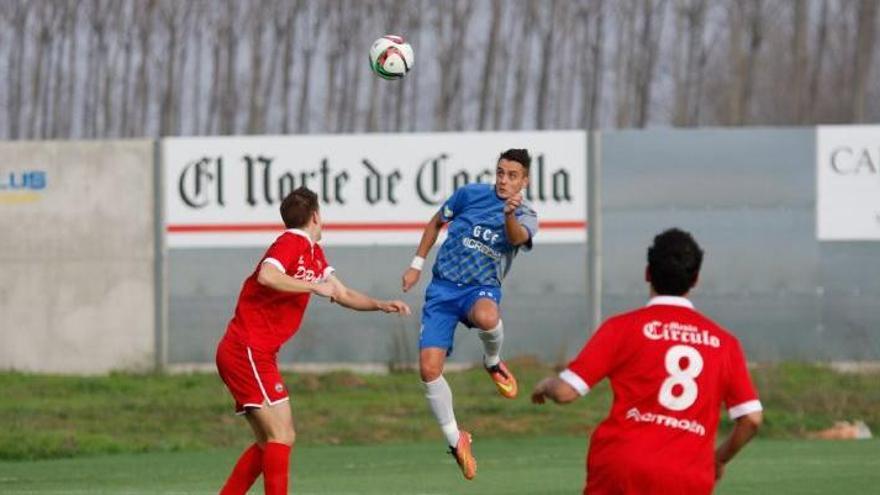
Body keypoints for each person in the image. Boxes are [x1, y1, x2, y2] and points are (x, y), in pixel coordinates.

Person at [531, 228, 763, 495]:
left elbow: (565, 392)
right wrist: (718, 459)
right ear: (696, 279)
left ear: (647, 273)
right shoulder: (725, 343)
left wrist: (546, 384)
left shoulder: (622, 328)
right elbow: (752, 419)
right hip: (687, 477)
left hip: (620, 469)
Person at [215, 186, 411, 495]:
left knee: (277, 439)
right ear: (316, 216)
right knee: (279, 435)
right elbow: (268, 275)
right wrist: (310, 287)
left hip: (257, 353)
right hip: (246, 349)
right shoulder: (291, 242)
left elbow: (342, 293)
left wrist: (379, 304)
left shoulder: (313, 254)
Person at [401, 148, 538, 480]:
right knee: (428, 369)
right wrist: (416, 266)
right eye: (501, 172)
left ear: (525, 180)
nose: (504, 180)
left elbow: (516, 238)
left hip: (480, 289)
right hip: (443, 289)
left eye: (512, 175)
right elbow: (436, 222)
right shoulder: (470, 194)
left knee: (488, 317)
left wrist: (508, 214)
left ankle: (492, 362)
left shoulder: (527, 214)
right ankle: (455, 440)